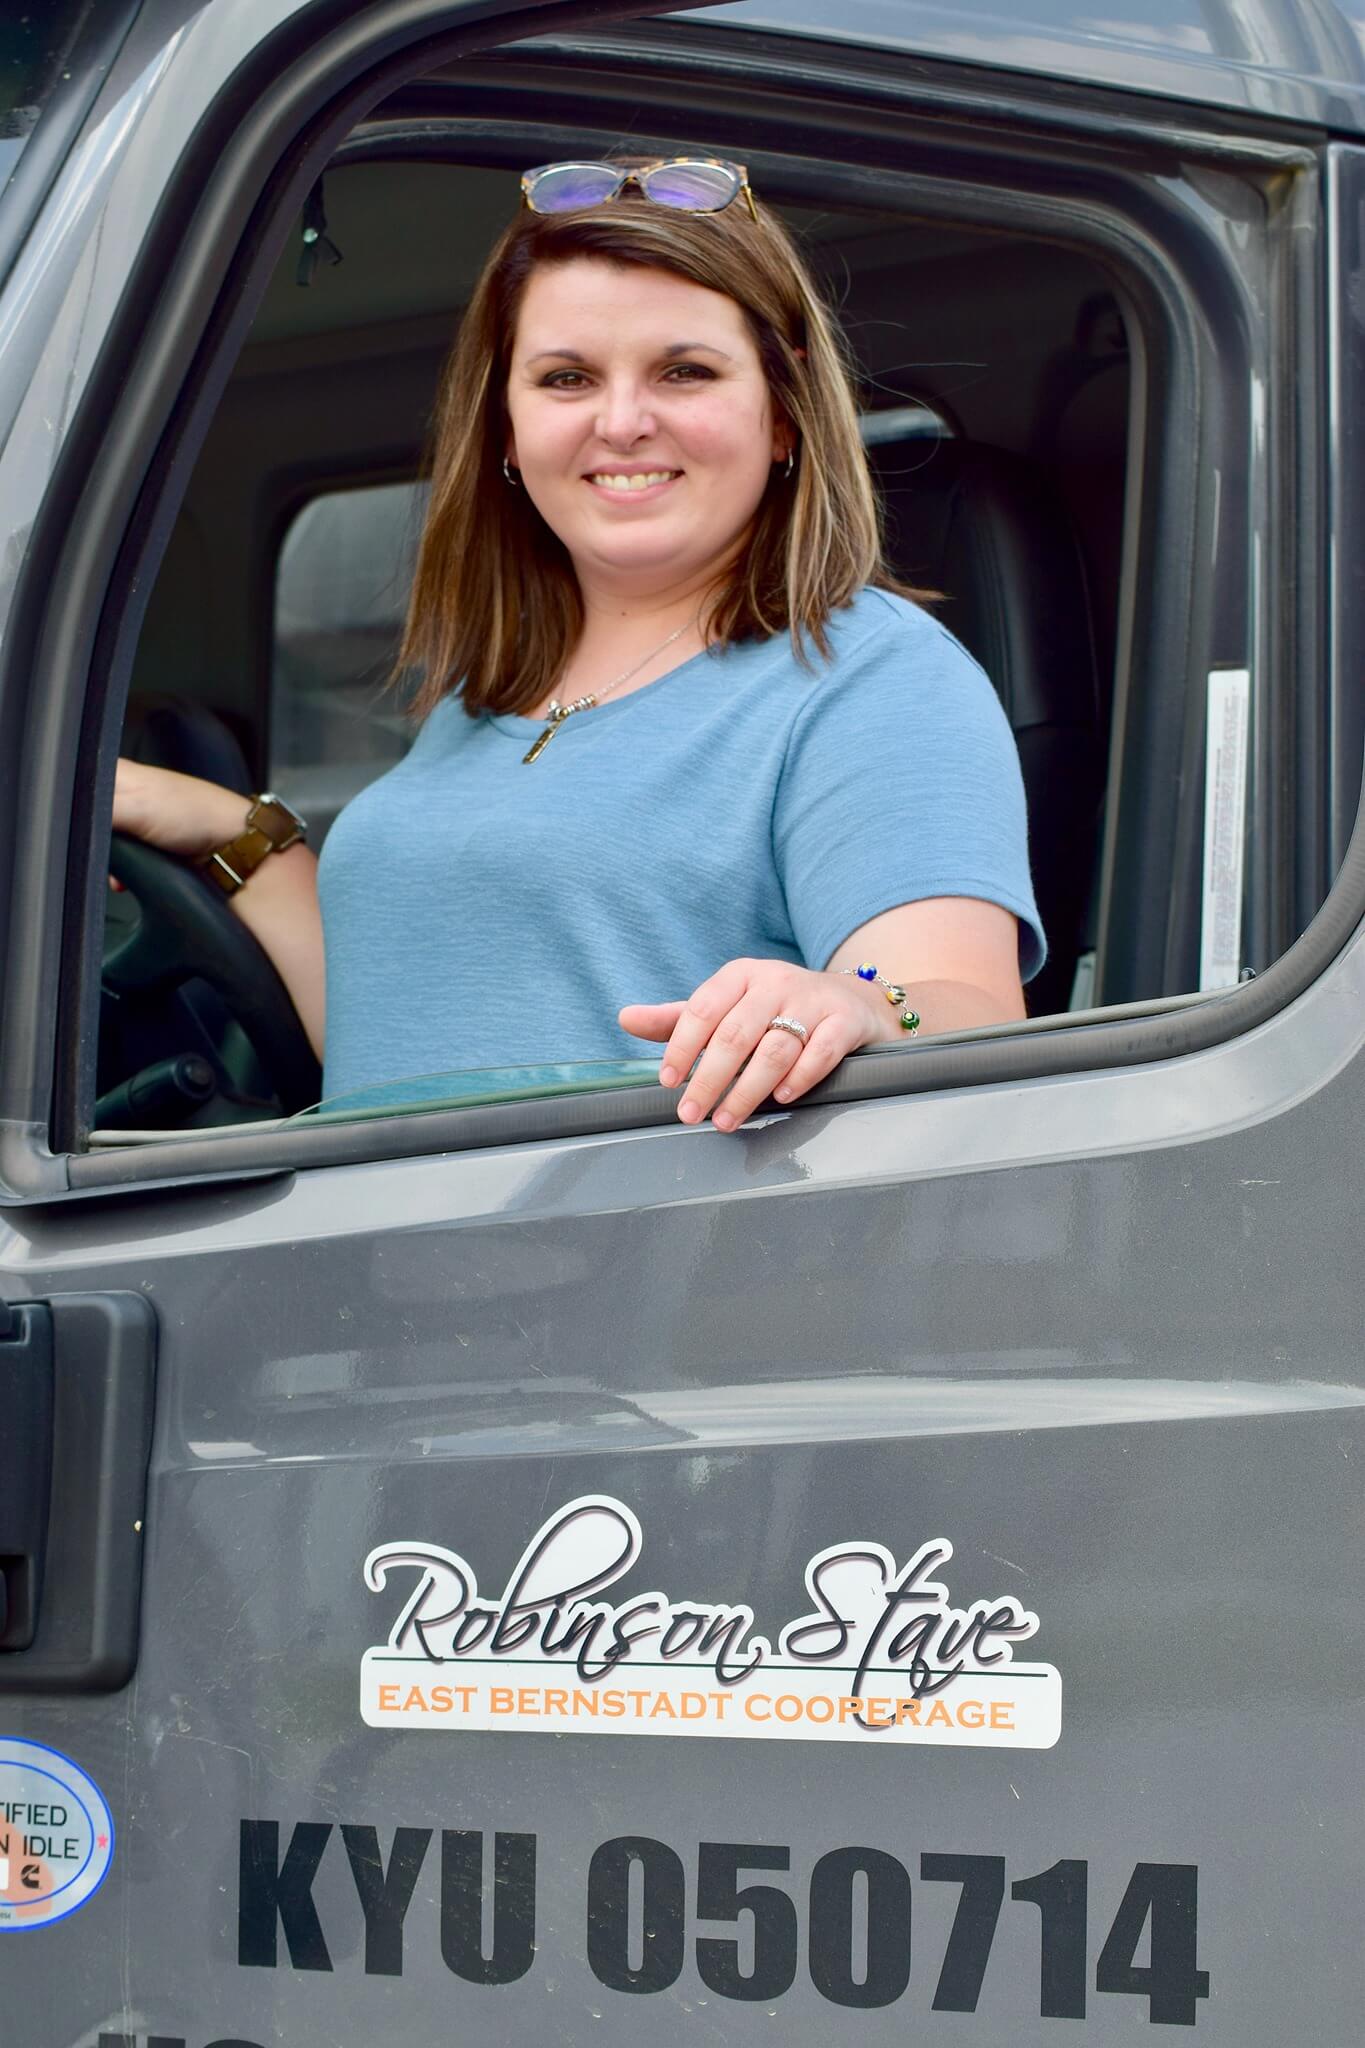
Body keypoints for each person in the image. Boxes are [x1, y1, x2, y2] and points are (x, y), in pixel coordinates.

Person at [113, 154, 1044, 1131]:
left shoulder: (872, 672)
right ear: (508, 430)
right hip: (382, 1261)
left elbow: (959, 1004)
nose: (623, 422)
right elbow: (392, 1037)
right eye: (567, 378)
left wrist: (857, 1004)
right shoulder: (484, 698)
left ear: (783, 410)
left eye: (685, 370)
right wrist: (234, 831)